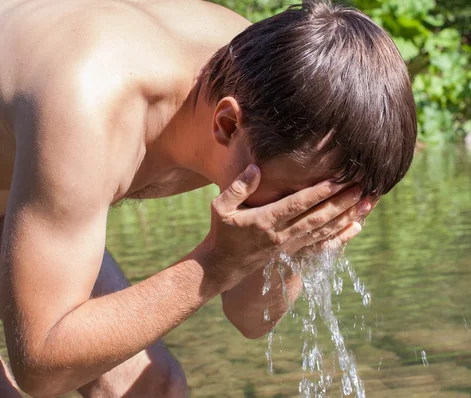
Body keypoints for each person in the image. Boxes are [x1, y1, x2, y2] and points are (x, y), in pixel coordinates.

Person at [0, 0, 417, 396]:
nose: (305, 210)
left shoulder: (273, 86)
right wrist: (217, 262)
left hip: (28, 180)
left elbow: (250, 318)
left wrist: (300, 245)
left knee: (153, 390)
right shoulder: (90, 109)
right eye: (300, 198)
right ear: (227, 123)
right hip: (58, 113)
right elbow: (39, 365)